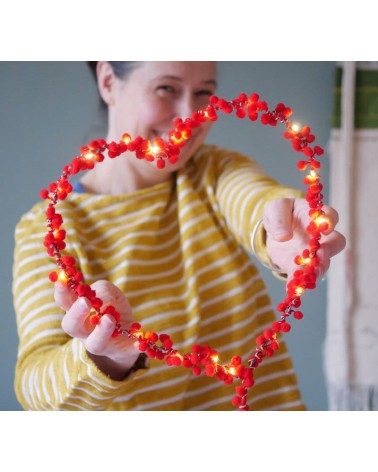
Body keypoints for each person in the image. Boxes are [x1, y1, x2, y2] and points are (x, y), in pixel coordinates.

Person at [13, 61, 346, 411]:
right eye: (166, 89)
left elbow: (255, 200)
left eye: (203, 92)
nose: (189, 115)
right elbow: (35, 388)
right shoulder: (50, 231)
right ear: (109, 81)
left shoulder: (215, 172)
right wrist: (104, 357)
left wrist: (279, 230)